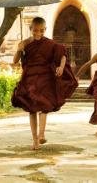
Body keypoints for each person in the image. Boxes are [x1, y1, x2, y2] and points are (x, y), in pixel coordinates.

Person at [12, 17, 78, 150]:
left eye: (41, 31)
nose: (38, 33)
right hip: (29, 78)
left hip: (45, 78)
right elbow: (15, 61)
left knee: (44, 106)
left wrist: (61, 66)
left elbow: (63, 54)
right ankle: (35, 140)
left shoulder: (50, 44)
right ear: (31, 29)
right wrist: (19, 50)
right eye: (35, 30)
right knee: (31, 110)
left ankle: (41, 134)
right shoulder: (25, 44)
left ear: (45, 30)